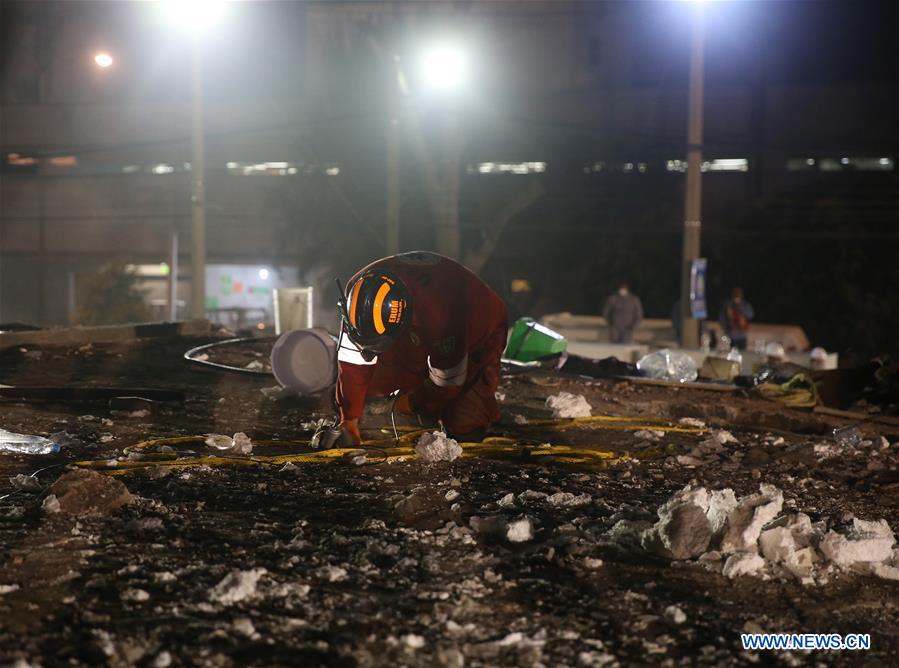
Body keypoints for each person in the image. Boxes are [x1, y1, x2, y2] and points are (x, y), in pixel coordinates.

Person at [334, 251, 507, 445]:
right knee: (375, 384)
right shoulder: (357, 293)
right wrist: (349, 419)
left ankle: (456, 426)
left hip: (481, 329)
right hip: (418, 323)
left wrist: (407, 404)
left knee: (464, 422)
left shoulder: (443, 317)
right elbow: (352, 362)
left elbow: (448, 384)